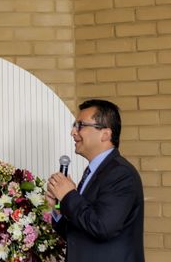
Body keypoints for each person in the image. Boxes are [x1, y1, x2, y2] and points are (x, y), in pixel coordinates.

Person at [46, 99, 144, 262]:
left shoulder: (121, 174)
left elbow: (103, 227)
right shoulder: (94, 171)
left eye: (80, 125)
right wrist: (58, 207)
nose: (73, 132)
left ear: (105, 133)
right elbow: (80, 230)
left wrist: (69, 195)